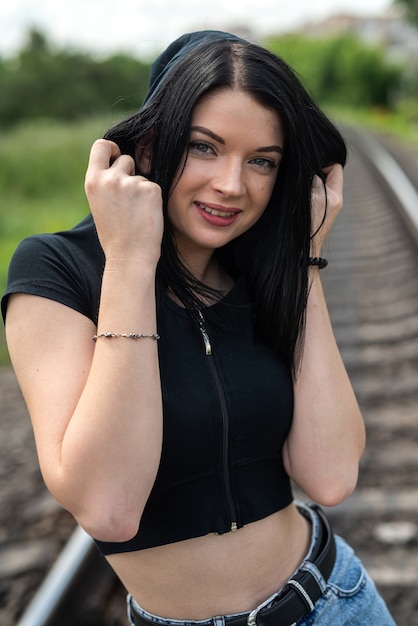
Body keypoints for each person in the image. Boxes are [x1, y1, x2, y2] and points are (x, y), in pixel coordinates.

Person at [2, 30, 395, 626]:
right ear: (151, 144)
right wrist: (131, 260)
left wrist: (305, 259)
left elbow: (332, 475)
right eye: (204, 147)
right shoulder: (58, 270)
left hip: (336, 603)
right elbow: (109, 509)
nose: (232, 186)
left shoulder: (256, 270)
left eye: (262, 161)